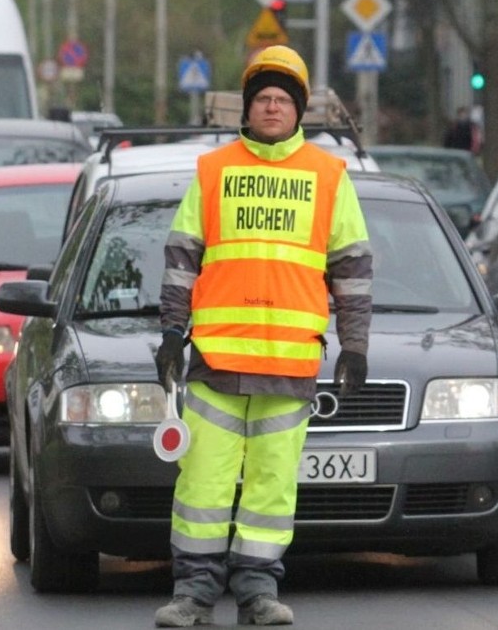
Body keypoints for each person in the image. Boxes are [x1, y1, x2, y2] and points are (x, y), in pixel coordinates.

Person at [153, 45, 372, 627]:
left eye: (282, 99)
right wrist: (172, 333)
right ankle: (192, 597)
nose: (272, 108)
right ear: (247, 109)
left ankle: (257, 595)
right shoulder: (214, 171)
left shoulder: (329, 177)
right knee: (202, 484)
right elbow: (181, 260)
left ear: (298, 110)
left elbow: (351, 268)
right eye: (263, 99)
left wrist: (356, 345)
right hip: (217, 364)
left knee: (271, 490)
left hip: (290, 365)